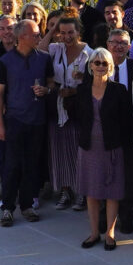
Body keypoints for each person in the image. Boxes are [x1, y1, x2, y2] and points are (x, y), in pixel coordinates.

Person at [0, 20, 56, 225]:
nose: (39, 36)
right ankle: (8, 207)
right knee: (12, 165)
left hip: (37, 119)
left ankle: (27, 205)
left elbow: (51, 81)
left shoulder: (44, 59)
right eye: (35, 34)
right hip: (14, 120)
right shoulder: (5, 61)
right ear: (22, 37)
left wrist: (47, 90)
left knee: (32, 164)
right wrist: (0, 123)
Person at [68, 49, 133, 251]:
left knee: (112, 191)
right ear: (90, 66)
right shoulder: (82, 90)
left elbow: (128, 121)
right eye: (96, 63)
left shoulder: (119, 90)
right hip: (89, 147)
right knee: (92, 191)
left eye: (104, 63)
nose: (100, 66)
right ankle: (94, 232)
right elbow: (76, 115)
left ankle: (110, 233)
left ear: (110, 67)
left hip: (112, 147)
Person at [48, 16, 90, 210]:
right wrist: (52, 29)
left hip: (79, 103)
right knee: (59, 149)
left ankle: (82, 191)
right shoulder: (55, 49)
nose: (66, 36)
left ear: (78, 32)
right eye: (62, 32)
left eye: (70, 32)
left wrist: (74, 90)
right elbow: (38, 49)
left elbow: (92, 81)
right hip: (58, 103)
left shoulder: (88, 53)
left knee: (78, 149)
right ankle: (65, 191)